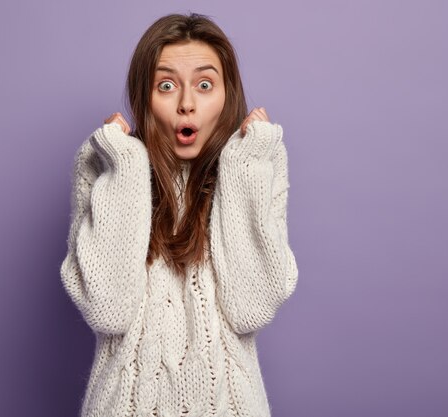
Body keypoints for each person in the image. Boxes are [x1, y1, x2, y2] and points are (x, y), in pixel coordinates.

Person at [60, 12, 299, 417]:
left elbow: (250, 308)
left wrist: (246, 167)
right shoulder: (108, 167)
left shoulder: (254, 166)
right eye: (166, 86)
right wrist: (126, 166)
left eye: (205, 85)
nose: (187, 104)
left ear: (228, 95)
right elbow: (107, 311)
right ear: (143, 97)